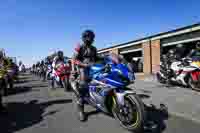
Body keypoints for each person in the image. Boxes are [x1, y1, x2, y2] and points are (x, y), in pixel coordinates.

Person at [72, 30, 98, 121]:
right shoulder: (80, 47)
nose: (90, 39)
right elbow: (74, 60)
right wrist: (82, 66)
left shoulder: (94, 48)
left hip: (93, 68)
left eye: (92, 37)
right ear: (84, 38)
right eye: (88, 37)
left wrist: (106, 58)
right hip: (83, 69)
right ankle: (81, 110)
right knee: (83, 87)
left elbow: (97, 58)